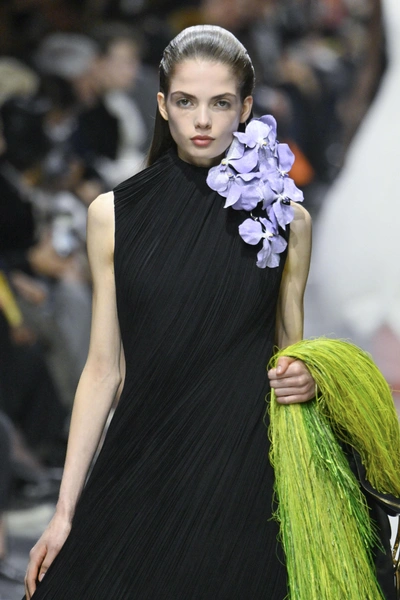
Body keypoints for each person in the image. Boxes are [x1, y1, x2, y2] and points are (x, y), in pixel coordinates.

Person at [25, 24, 321, 600]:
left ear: (246, 109)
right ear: (162, 106)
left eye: (221, 103)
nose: (202, 121)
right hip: (144, 456)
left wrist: (305, 377)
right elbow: (102, 369)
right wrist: (64, 512)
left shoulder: (288, 221)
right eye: (186, 102)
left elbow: (290, 351)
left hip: (243, 468)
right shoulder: (113, 215)